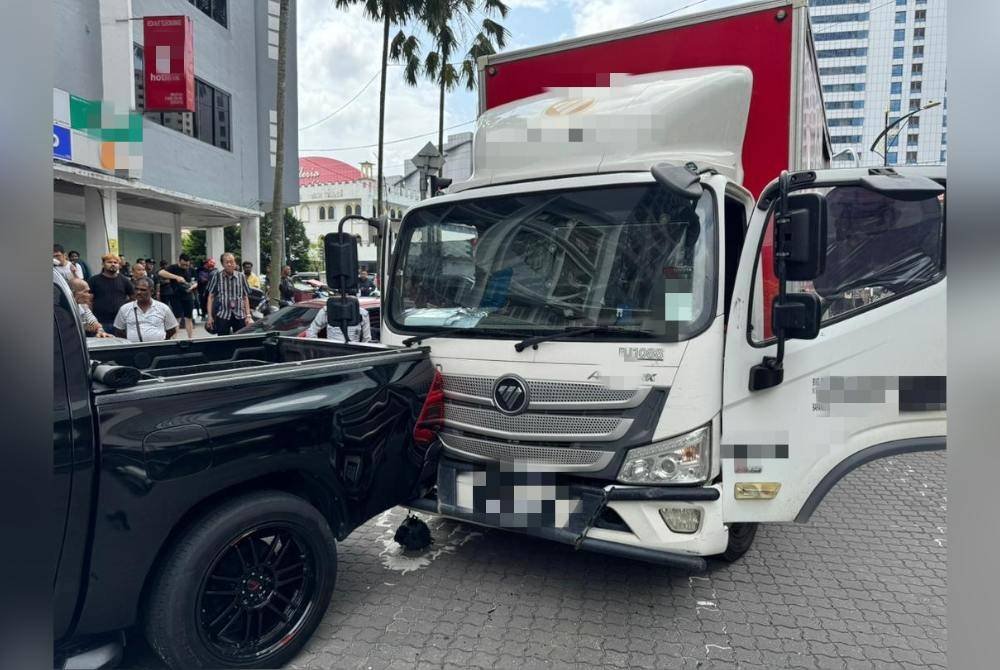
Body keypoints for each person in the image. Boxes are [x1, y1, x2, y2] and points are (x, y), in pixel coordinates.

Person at [113, 277, 178, 343]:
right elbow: (119, 331)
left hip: (158, 350)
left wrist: (161, 341)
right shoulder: (125, 309)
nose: (138, 292)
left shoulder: (163, 308)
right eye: (136, 289)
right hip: (133, 350)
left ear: (152, 291)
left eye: (143, 290)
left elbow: (172, 330)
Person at [205, 252, 253, 335]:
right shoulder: (216, 276)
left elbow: (245, 297)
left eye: (232, 262)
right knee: (223, 342)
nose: (230, 264)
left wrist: (248, 316)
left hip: (240, 314)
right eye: (227, 262)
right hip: (223, 314)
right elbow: (210, 297)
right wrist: (209, 316)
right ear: (222, 264)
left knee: (240, 341)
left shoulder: (241, 276)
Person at [87, 253, 135, 333]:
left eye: (115, 262)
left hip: (120, 323)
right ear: (103, 264)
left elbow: (133, 298)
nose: (113, 264)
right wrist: (91, 320)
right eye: (109, 262)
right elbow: (89, 301)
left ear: (119, 265)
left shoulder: (125, 281)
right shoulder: (93, 280)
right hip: (100, 323)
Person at [158, 253, 198, 339]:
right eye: (183, 264)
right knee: (177, 318)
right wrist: (176, 277)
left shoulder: (191, 270)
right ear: (179, 261)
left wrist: (192, 286)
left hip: (188, 296)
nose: (185, 266)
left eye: (187, 265)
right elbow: (161, 272)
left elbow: (195, 282)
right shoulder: (173, 268)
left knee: (189, 317)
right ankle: (174, 338)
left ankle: (190, 338)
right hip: (176, 296)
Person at [303, 300, 372, 343]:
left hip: (353, 357)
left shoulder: (362, 313)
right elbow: (310, 333)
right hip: (332, 356)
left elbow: (367, 340)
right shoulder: (326, 311)